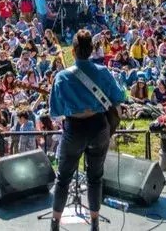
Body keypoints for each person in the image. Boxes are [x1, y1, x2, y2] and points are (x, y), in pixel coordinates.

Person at [48, 29, 126, 231]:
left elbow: (55, 110)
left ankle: (54, 224)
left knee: (63, 178)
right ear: (92, 50)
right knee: (95, 177)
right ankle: (94, 223)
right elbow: (119, 96)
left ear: (73, 52)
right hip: (99, 127)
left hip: (74, 128)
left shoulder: (62, 77)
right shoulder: (103, 72)